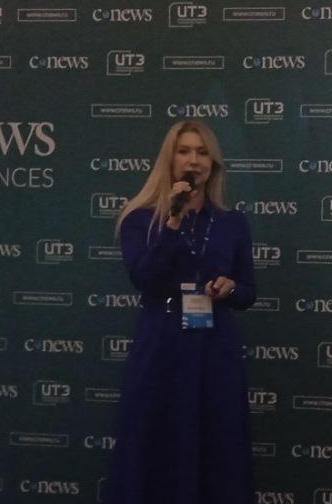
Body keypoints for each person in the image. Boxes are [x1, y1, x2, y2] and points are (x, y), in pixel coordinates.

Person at [104, 119, 256, 503]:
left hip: (214, 344)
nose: (193, 161)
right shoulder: (140, 219)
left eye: (202, 153)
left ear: (213, 163)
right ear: (169, 160)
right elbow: (145, 279)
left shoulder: (232, 222)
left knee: (217, 440)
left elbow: (248, 291)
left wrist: (230, 288)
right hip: (162, 340)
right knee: (155, 439)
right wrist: (172, 220)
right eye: (184, 151)